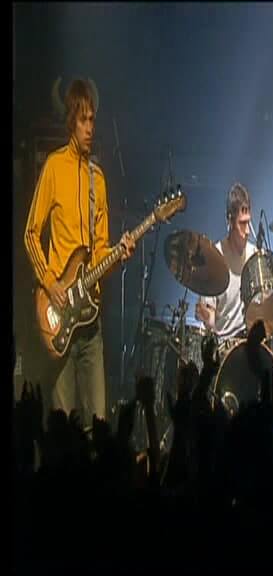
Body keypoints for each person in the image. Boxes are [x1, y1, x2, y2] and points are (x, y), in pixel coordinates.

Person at [24, 78, 135, 431]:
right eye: (84, 119)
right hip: (59, 315)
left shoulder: (97, 180)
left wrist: (118, 254)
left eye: (93, 120)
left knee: (99, 425)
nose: (90, 127)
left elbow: (99, 251)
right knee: (64, 428)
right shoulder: (54, 167)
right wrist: (50, 282)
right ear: (71, 120)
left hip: (92, 324)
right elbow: (30, 233)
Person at [195, 182, 256, 344]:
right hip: (225, 348)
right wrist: (206, 314)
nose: (248, 231)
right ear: (229, 221)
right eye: (242, 224)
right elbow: (212, 321)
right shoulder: (214, 258)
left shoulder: (254, 255)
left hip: (250, 345)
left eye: (249, 223)